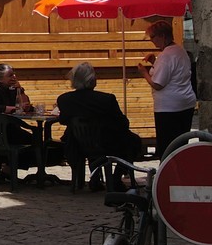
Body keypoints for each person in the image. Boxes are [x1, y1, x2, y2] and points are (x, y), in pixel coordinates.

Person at [56, 62, 145, 191]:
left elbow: (63, 120)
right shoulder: (106, 99)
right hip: (107, 145)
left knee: (88, 139)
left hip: (78, 146)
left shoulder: (64, 99)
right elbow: (123, 124)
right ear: (91, 79)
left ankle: (93, 178)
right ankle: (115, 179)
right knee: (133, 141)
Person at [139, 20, 196, 156]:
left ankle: (168, 173)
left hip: (169, 108)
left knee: (168, 146)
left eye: (153, 37)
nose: (152, 41)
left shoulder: (166, 56)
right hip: (185, 102)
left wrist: (144, 73)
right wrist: (154, 62)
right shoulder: (180, 50)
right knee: (181, 144)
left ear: (162, 36)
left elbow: (158, 84)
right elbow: (173, 72)